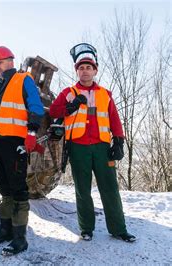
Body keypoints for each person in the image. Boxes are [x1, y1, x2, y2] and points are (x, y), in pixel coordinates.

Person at [49, 43, 136, 243]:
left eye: (88, 67)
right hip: (78, 147)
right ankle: (86, 228)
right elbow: (53, 112)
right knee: (82, 190)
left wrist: (119, 141)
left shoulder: (105, 94)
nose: (85, 71)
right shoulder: (68, 92)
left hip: (102, 148)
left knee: (110, 189)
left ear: (95, 70)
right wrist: (69, 107)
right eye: (81, 67)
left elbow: (114, 118)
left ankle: (118, 229)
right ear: (77, 71)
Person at [0, 46, 45, 256]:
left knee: (18, 188)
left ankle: (19, 238)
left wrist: (32, 132)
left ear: (11, 61)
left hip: (16, 143)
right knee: (4, 188)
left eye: (1, 62)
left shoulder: (23, 80)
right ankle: (4, 230)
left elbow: (36, 105)